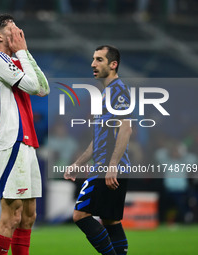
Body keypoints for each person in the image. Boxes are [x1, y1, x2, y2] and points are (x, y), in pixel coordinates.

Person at [0, 14, 49, 255]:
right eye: (13, 29)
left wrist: (25, 53)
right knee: (12, 215)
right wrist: (22, 52)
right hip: (11, 141)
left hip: (27, 143)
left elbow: (43, 88)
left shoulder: (15, 61)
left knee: (29, 216)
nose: (20, 32)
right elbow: (32, 86)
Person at [64, 45, 132, 255]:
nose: (93, 64)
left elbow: (126, 128)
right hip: (110, 164)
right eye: (93, 59)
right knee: (110, 221)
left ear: (113, 65)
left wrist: (112, 165)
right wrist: (78, 164)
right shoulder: (106, 93)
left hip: (108, 166)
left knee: (80, 215)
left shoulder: (119, 90)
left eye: (99, 60)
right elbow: (98, 139)